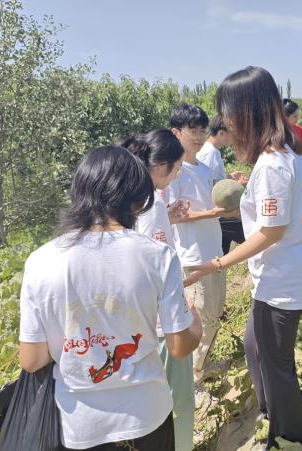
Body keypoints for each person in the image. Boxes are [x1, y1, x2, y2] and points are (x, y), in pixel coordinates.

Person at [18, 146, 202, 450]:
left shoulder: (40, 261)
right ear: (136, 198)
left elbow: (32, 359)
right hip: (148, 415)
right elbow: (180, 346)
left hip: (81, 426)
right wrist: (194, 327)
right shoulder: (158, 257)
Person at [185, 67, 302, 449]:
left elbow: (270, 231)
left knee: (277, 364)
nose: (225, 120)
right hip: (281, 274)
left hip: (282, 280)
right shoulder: (285, 154)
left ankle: (291, 437)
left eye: (228, 111)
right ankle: (271, 413)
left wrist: (216, 264)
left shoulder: (275, 164)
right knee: (254, 347)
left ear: (248, 111)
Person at [117, 130, 195, 451]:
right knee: (176, 406)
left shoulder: (129, 201)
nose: (177, 175)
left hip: (136, 324)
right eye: (177, 168)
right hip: (163, 327)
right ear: (160, 166)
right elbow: (155, 267)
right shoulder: (152, 206)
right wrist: (183, 311)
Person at [168, 104, 238, 385]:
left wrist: (231, 186)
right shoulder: (175, 171)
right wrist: (212, 213)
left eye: (201, 130)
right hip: (193, 255)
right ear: (176, 132)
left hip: (214, 251)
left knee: (214, 313)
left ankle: (201, 367)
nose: (197, 136)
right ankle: (191, 379)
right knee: (198, 318)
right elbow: (172, 214)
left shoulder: (205, 168)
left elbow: (215, 200)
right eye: (191, 130)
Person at [197, 115, 248, 255]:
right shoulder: (210, 153)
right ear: (221, 133)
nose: (233, 137)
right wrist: (237, 184)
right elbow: (212, 187)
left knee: (220, 252)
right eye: (231, 133)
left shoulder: (212, 151)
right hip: (219, 213)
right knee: (250, 236)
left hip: (219, 213)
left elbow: (212, 178)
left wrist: (229, 177)